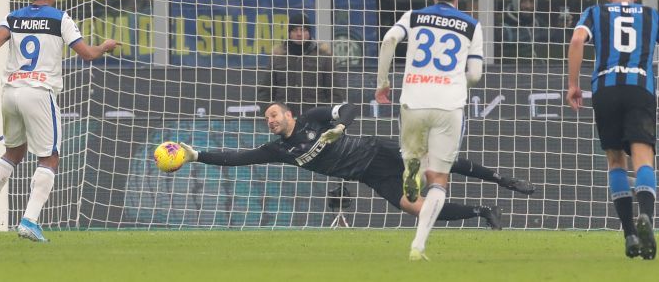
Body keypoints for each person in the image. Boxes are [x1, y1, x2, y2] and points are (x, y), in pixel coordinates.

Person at [177, 102, 535, 230]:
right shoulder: (278, 150)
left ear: (288, 114)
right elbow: (238, 159)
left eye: (273, 114)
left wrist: (339, 128)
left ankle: (502, 179)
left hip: (377, 151)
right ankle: (484, 211)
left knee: (437, 163)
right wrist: (196, 155)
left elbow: (348, 107)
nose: (269, 120)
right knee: (419, 211)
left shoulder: (312, 120)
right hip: (370, 175)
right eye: (266, 118)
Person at [0, 0, 120, 242]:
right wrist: (105, 47)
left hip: (11, 92)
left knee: (13, 152)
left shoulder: (13, 18)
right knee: (49, 158)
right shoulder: (60, 18)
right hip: (39, 91)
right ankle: (29, 221)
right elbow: (86, 54)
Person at [566, 0, 659, 260]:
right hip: (639, 90)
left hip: (606, 90)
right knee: (643, 157)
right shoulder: (651, 14)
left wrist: (573, 85)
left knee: (615, 161)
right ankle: (646, 216)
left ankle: (629, 235)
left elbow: (576, 42)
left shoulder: (594, 12)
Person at [376, 0, 484, 261]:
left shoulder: (413, 16)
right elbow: (475, 74)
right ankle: (418, 246)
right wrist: (455, 77)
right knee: (438, 179)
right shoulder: (471, 25)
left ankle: (411, 167)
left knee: (414, 160)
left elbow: (388, 40)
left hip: (413, 100)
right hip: (448, 105)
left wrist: (383, 83)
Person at [257, 12, 344, 117]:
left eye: (303, 30)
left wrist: (328, 117)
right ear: (289, 33)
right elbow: (265, 91)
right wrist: (271, 115)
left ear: (309, 32)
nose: (299, 34)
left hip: (315, 120)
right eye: (295, 30)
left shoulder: (323, 56)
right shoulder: (278, 57)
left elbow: (335, 92)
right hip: (284, 121)